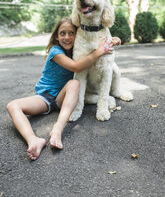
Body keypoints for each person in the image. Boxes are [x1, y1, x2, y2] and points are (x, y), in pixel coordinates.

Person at [7, 17, 121, 160]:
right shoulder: (55, 51)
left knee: (74, 84)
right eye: (62, 33)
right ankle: (33, 140)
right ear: (56, 36)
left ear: (77, 35)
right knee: (12, 106)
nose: (67, 37)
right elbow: (76, 67)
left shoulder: (78, 50)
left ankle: (58, 128)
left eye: (71, 33)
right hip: (45, 97)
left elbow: (94, 43)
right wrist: (100, 51)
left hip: (64, 98)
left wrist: (111, 39)